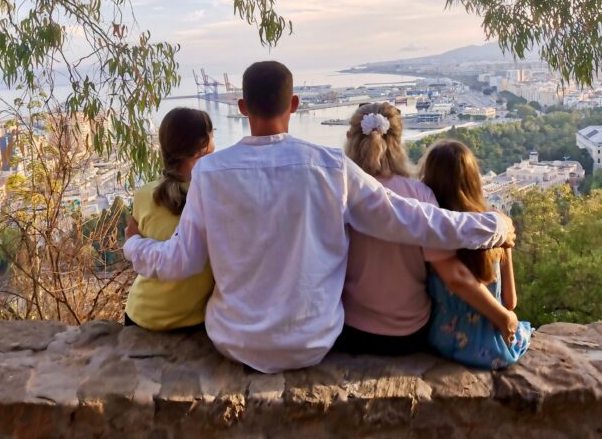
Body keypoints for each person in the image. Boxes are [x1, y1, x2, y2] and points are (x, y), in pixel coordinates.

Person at [124, 61, 515, 374]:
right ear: (293, 105)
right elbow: (413, 219)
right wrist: (494, 226)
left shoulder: (210, 174)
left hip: (233, 342)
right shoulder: (330, 166)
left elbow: (181, 261)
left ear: (242, 108)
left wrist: (134, 245)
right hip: (313, 343)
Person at [337, 103, 518, 355]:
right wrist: (503, 317)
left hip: (351, 329)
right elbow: (453, 275)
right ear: (398, 142)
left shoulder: (340, 194)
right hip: (407, 334)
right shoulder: (419, 194)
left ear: (350, 139)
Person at [420, 139, 531, 369]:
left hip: (439, 340)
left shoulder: (429, 232)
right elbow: (510, 302)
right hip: (492, 347)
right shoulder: (495, 228)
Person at [124, 107, 216, 331]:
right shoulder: (215, 196)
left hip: (140, 314)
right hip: (191, 320)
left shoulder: (144, 195)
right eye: (213, 134)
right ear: (204, 145)